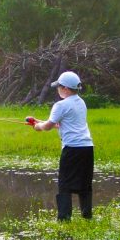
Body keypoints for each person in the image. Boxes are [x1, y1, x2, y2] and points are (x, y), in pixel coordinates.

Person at [27, 71, 94, 221]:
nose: (57, 89)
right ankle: (87, 216)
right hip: (87, 148)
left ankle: (64, 219)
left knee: (65, 184)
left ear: (65, 88)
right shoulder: (81, 102)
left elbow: (49, 126)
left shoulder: (60, 105)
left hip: (71, 148)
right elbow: (63, 124)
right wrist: (39, 121)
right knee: (85, 183)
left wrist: (38, 127)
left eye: (58, 87)